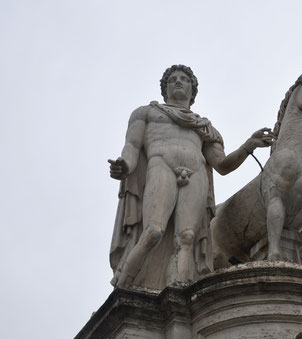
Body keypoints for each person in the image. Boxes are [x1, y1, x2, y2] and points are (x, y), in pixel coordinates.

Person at [109, 65, 273, 288]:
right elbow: (132, 146)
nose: (178, 81)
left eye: (184, 79)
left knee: (186, 237)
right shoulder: (146, 113)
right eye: (172, 79)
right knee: (153, 231)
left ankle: (178, 294)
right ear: (164, 88)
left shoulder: (203, 127)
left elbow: (222, 165)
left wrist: (248, 146)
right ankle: (123, 286)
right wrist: (124, 165)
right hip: (160, 166)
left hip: (196, 173)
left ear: (192, 90)